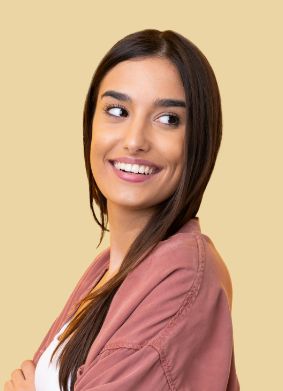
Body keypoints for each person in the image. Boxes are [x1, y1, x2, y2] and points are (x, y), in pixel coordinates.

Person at [4, 29, 240, 391]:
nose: (134, 140)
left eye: (168, 120)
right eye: (117, 111)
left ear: (199, 140)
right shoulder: (108, 270)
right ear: (90, 126)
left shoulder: (184, 275)